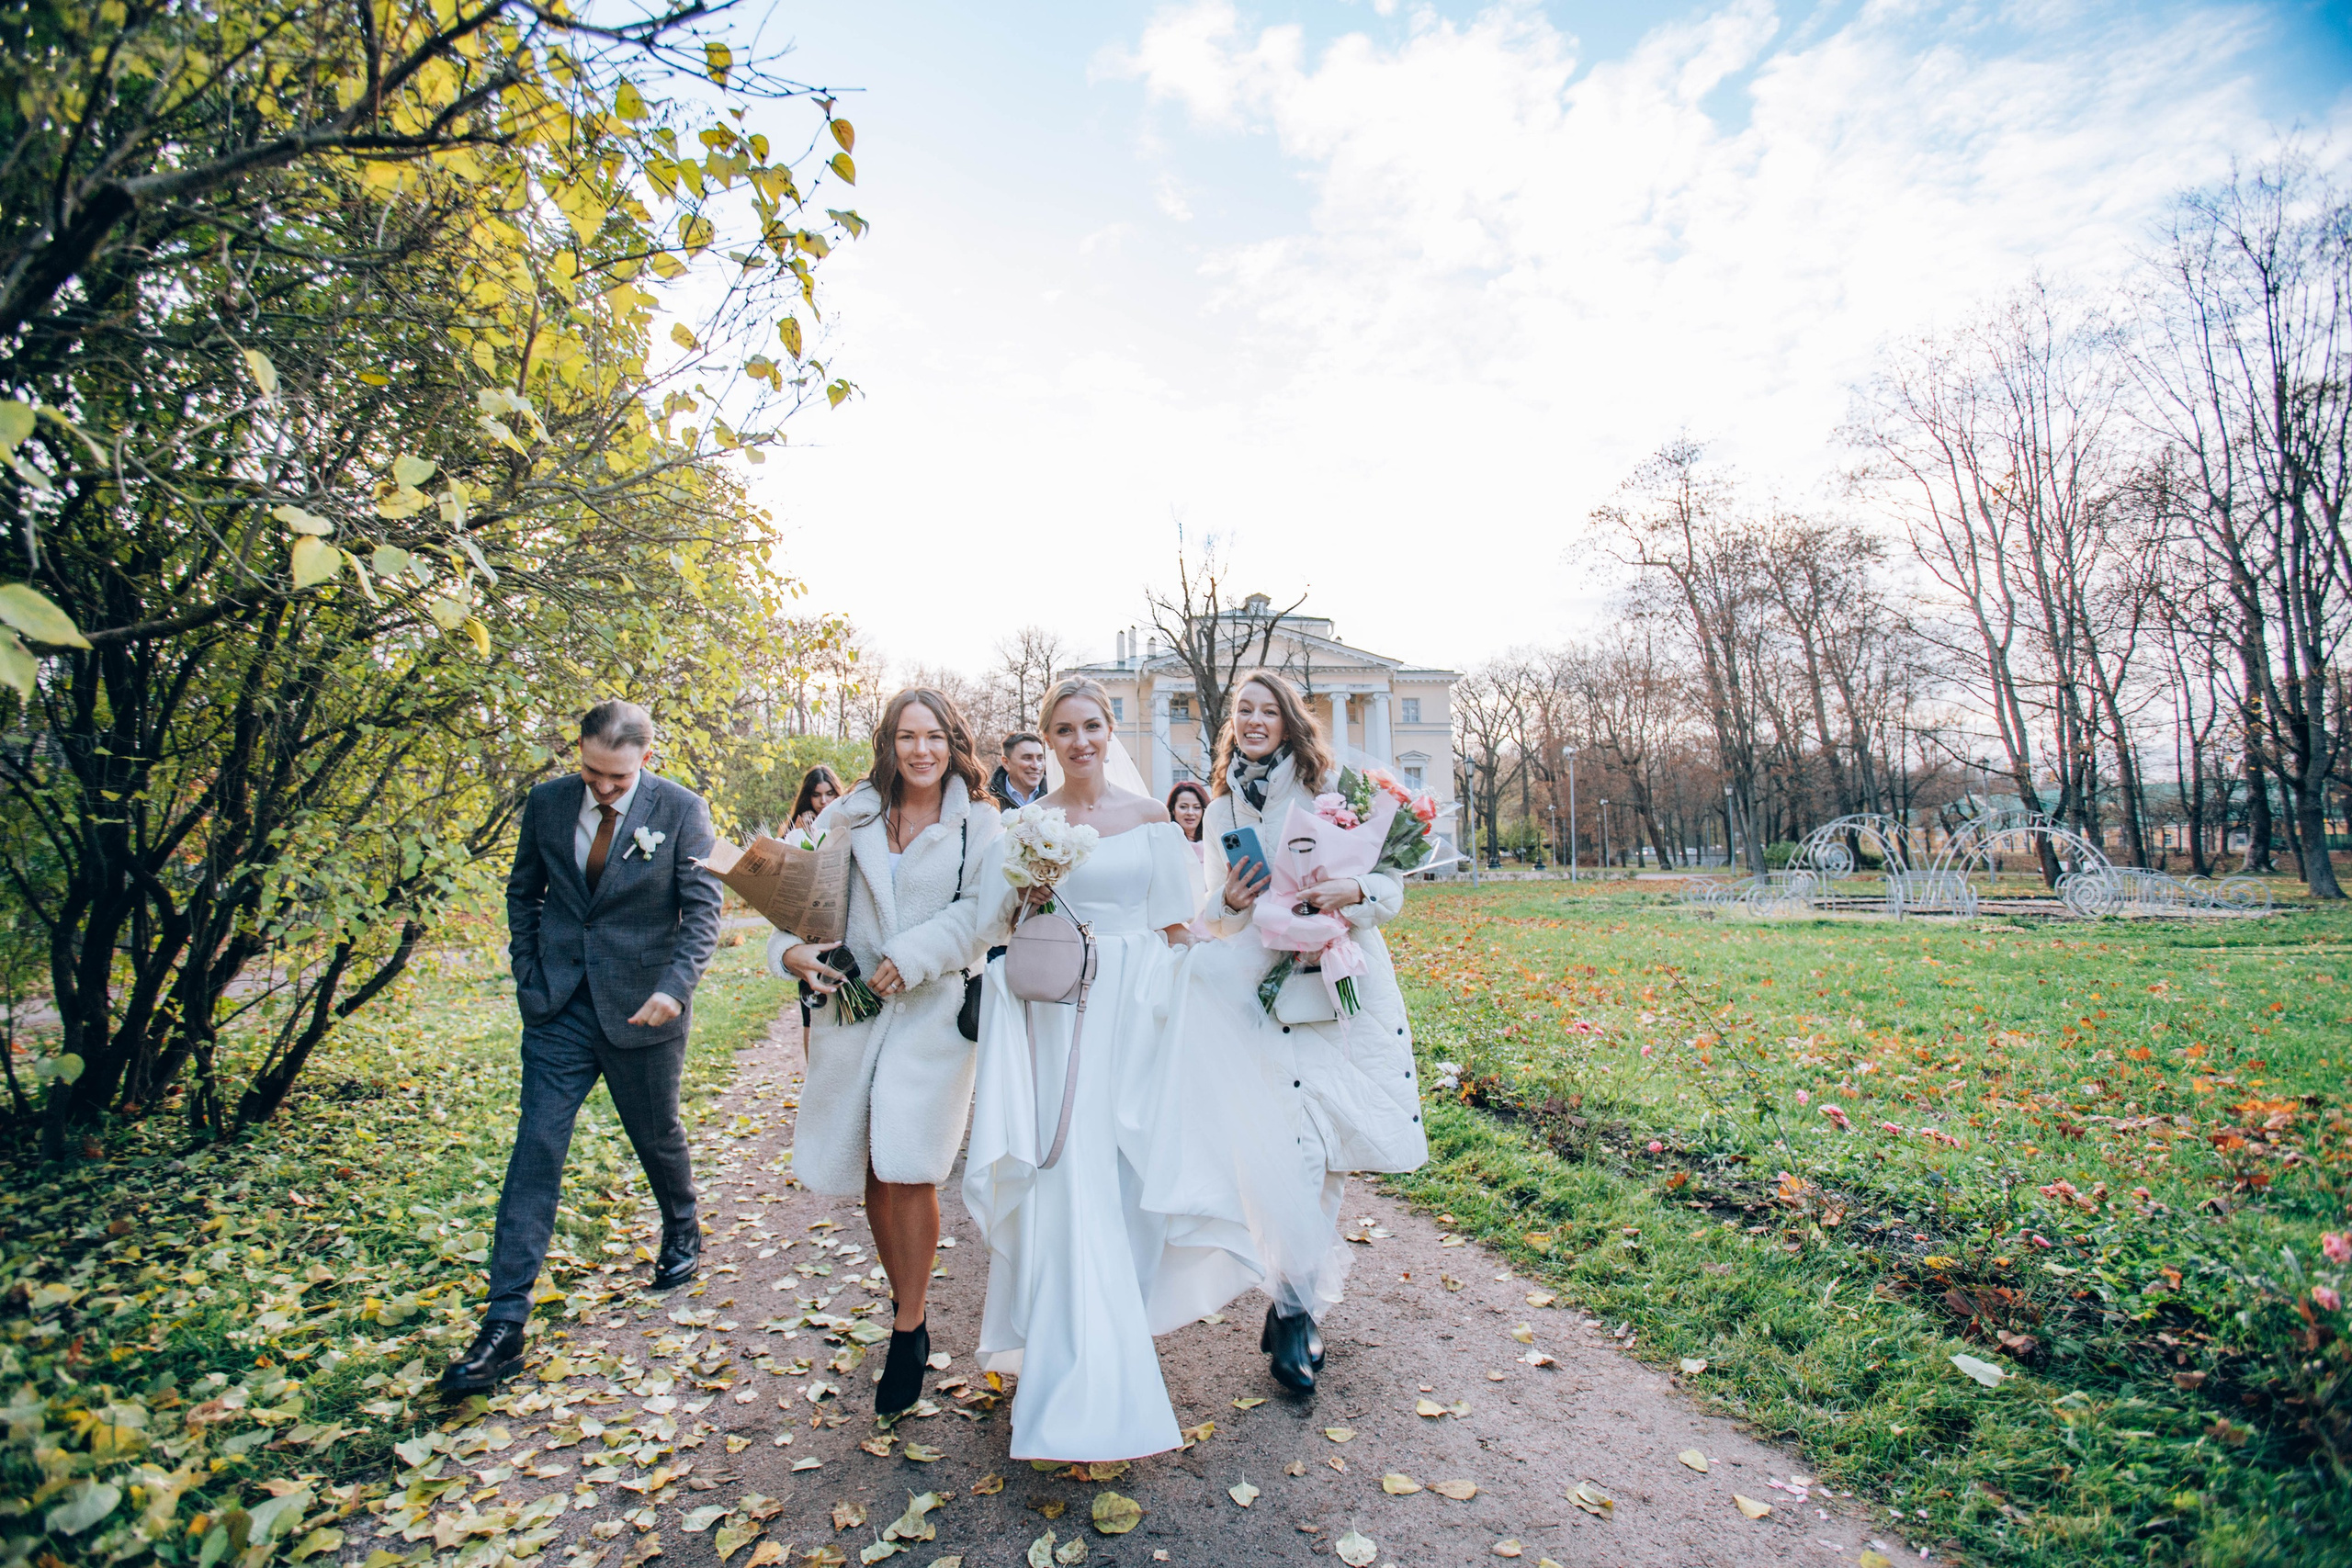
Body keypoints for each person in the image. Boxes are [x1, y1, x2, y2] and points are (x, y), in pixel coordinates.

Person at [962, 678, 1328, 1461]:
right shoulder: (1027, 823)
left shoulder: (1156, 821)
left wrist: (1228, 911)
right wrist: (1027, 894)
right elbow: (1001, 924)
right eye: (1063, 729)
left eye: (1092, 725)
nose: (1080, 740)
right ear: (1047, 738)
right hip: (1059, 1019)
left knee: (1125, 1191)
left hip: (1136, 1015)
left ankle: (1109, 1336)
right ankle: (1072, 1376)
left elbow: (1178, 927)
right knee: (1067, 1181)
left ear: (1109, 729)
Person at [442, 700, 722, 1396]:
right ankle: (503, 1326)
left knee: (655, 1134)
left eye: (616, 779)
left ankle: (681, 1225)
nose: (600, 788)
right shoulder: (545, 803)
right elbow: (523, 893)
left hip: (644, 1007)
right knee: (535, 1148)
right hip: (559, 1007)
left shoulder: (684, 809)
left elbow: (704, 909)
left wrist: (674, 988)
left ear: (645, 762)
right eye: (591, 772)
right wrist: (528, 973)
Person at [767, 688, 1001, 1416]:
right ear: (889, 743)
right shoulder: (849, 813)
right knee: (875, 1162)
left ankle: (909, 1326)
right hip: (854, 1008)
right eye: (907, 736)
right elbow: (795, 900)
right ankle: (906, 1304)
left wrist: (916, 951)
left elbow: (983, 914)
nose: (921, 750)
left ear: (952, 742)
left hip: (932, 1012)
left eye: (934, 736)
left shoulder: (981, 824)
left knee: (913, 1165)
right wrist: (795, 952)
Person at [1200, 670, 1427, 1393]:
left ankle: (1292, 1305)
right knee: (1283, 1153)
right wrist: (1228, 898)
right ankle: (1293, 1306)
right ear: (1233, 722)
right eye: (1246, 710)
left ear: (1291, 720)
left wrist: (1354, 891)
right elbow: (1214, 912)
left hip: (1337, 989)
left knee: (1322, 1153)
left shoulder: (1337, 787)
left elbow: (1389, 882)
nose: (1256, 720)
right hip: (1260, 994)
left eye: (1270, 710)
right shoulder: (1218, 808)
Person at [989, 731, 1047, 809]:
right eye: (1027, 758)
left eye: (1040, 758)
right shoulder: (987, 801)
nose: (1035, 766)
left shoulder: (1057, 795)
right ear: (1006, 763)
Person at [788, 763, 843, 833]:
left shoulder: (850, 823)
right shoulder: (799, 824)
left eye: (829, 794)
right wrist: (799, 831)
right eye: (816, 795)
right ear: (808, 797)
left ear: (836, 795)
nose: (823, 801)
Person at [1165, 780, 1209, 846]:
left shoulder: (1212, 842)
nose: (1190, 813)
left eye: (1196, 807)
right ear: (1173, 809)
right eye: (1183, 807)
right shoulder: (1165, 841)